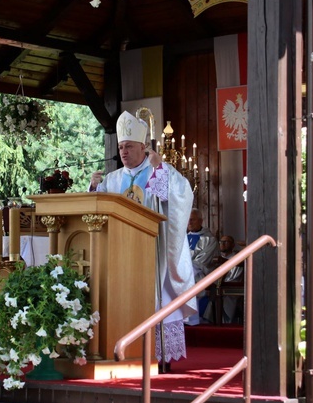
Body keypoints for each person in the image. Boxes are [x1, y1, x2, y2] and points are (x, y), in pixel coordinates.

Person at [89, 110, 196, 372]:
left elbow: (180, 198)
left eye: (129, 147)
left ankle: (160, 356)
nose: (124, 152)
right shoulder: (112, 179)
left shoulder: (160, 169)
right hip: (121, 254)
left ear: (142, 147)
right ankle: (126, 351)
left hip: (153, 251)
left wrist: (159, 171)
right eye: (121, 147)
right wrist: (93, 189)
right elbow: (97, 212)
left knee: (157, 297)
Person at [186, 208, 218, 324]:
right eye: (187, 220)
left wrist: (186, 271)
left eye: (192, 220)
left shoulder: (209, 239)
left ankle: (195, 319)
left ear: (200, 221)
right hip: (184, 272)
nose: (189, 223)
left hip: (201, 274)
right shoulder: (183, 238)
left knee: (188, 281)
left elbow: (202, 262)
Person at [207, 235, 244, 324]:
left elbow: (238, 269)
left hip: (232, 282)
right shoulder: (216, 256)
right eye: (221, 242)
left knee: (226, 297)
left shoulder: (237, 256)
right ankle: (211, 321)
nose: (222, 244)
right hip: (217, 284)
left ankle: (226, 322)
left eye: (226, 242)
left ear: (232, 245)